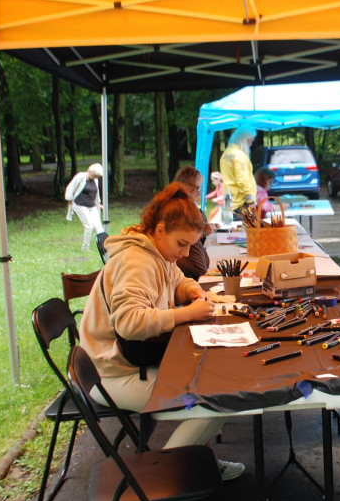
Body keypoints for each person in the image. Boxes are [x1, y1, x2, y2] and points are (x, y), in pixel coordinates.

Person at [78, 182, 245, 481]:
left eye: (190, 246)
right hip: (113, 373)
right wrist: (185, 313)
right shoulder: (136, 261)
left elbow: (177, 279)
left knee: (213, 381)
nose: (184, 254)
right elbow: (129, 322)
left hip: (128, 361)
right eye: (181, 244)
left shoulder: (155, 251)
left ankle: (195, 460)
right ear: (159, 230)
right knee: (216, 399)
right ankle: (160, 475)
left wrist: (193, 292)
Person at [171, 165, 213, 280]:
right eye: (196, 189)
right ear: (185, 187)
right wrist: (202, 232)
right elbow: (199, 268)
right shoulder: (181, 211)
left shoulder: (187, 209)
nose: (198, 194)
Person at [219, 126, 259, 220]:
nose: (251, 144)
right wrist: (250, 200)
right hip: (241, 204)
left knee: (231, 232)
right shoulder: (239, 156)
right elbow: (242, 180)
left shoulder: (226, 154)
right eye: (251, 141)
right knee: (244, 233)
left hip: (230, 202)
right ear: (244, 139)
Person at [65, 163, 105, 251]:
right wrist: (71, 200)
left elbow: (95, 193)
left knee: (99, 226)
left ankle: (103, 246)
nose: (95, 178)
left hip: (91, 205)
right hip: (80, 205)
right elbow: (70, 188)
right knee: (89, 226)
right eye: (95, 176)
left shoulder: (95, 180)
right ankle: (85, 247)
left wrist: (99, 204)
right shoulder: (80, 177)